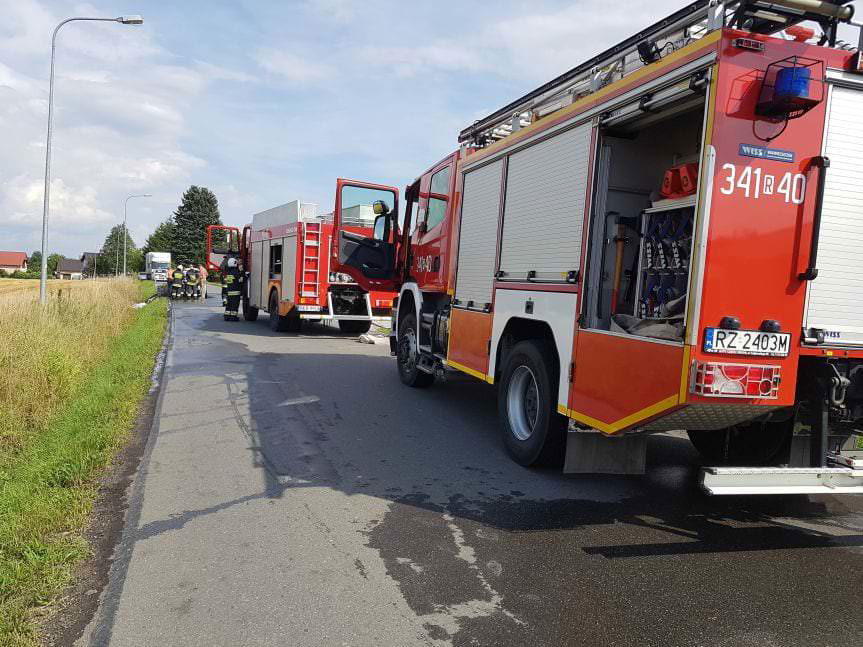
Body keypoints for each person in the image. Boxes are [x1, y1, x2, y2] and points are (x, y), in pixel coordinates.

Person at [223, 256, 242, 321]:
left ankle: (226, 316)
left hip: (229, 292)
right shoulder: (236, 272)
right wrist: (243, 273)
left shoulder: (229, 272)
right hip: (235, 292)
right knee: (234, 305)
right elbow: (240, 280)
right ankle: (233, 317)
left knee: (229, 305)